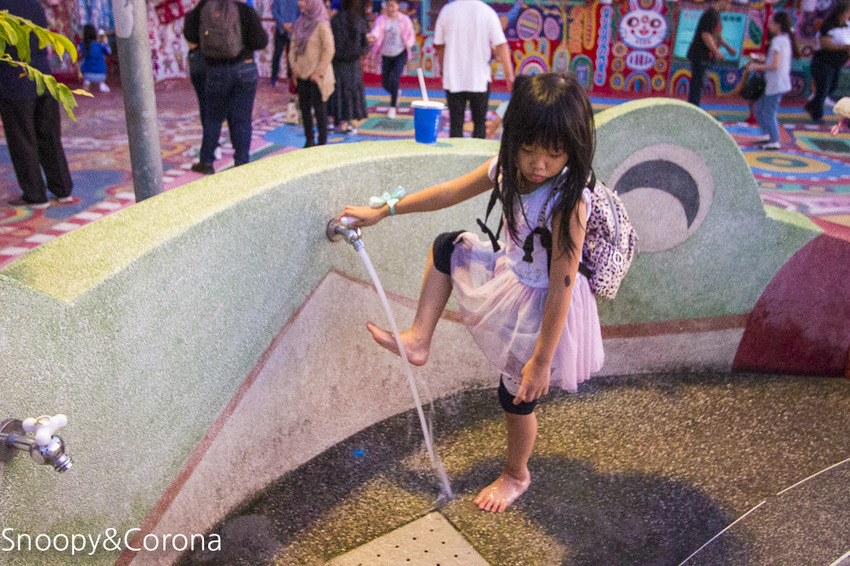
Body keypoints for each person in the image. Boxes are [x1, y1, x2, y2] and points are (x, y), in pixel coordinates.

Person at [336, 72, 603, 512]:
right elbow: (449, 192)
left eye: (553, 154)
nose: (538, 164)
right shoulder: (507, 169)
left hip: (547, 305)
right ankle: (418, 339)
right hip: (513, 275)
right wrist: (385, 210)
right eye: (528, 149)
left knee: (515, 398)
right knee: (447, 247)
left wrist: (541, 361)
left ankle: (516, 475)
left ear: (572, 149)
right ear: (513, 138)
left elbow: (563, 286)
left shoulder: (567, 201)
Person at [0, 0, 74, 209]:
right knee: (49, 137)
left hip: (15, 81)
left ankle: (35, 195)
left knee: (23, 140)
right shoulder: (33, 3)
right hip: (44, 78)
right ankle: (62, 190)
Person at [184, 0, 268, 175]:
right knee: (241, 120)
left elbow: (190, 34)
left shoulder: (204, 7)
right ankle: (241, 163)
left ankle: (206, 161)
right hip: (245, 68)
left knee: (213, 117)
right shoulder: (244, 10)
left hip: (215, 69)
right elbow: (260, 41)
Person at [434, 0, 515, 139]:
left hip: (453, 77)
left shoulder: (447, 11)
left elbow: (440, 45)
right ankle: (478, 152)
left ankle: (455, 152)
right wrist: (509, 74)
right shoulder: (487, 12)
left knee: (456, 124)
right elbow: (501, 45)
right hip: (479, 78)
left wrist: (442, 70)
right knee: (479, 123)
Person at [746, 11, 798, 150]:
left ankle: (774, 140)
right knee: (759, 109)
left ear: (778, 25)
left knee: (768, 112)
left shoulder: (777, 41)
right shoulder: (784, 39)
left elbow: (775, 65)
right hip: (773, 83)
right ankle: (767, 134)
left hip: (776, 83)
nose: (769, 25)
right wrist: (763, 60)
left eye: (772, 22)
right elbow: (776, 61)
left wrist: (756, 66)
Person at [289, 0, 336, 147]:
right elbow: (293, 47)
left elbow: (329, 50)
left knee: (320, 110)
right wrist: (294, 67)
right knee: (304, 109)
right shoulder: (299, 23)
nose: (300, 3)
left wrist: (318, 72)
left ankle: (321, 142)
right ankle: (309, 140)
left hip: (317, 77)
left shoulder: (321, 25)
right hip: (301, 74)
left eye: (305, 1)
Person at [367, 0, 416, 119]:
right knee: (385, 83)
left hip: (400, 53)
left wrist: (409, 43)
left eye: (392, 6)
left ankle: (392, 107)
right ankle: (396, 92)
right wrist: (373, 36)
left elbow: (411, 34)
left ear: (397, 7)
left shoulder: (404, 20)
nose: (390, 8)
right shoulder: (381, 19)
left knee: (394, 78)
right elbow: (377, 30)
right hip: (386, 54)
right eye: (388, 6)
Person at [804, 0, 850, 124]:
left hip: (837, 63)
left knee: (832, 86)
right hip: (824, 62)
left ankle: (812, 105)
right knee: (823, 88)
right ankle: (817, 115)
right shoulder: (829, 24)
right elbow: (825, 44)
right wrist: (844, 47)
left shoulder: (846, 26)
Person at [328, 0, 370, 134]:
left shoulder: (334, 20)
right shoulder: (359, 21)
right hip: (353, 65)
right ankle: (351, 123)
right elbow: (365, 47)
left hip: (336, 62)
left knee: (336, 91)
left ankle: (333, 121)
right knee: (352, 93)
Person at [686, 0, 737, 108]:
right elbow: (706, 35)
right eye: (728, 2)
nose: (729, 6)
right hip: (701, 56)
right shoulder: (711, 15)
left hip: (705, 58)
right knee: (697, 87)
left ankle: (694, 108)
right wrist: (716, 51)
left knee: (699, 86)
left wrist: (728, 48)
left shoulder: (715, 15)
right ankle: (693, 109)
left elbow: (717, 36)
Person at [271, 0, 300, 88]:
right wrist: (283, 23)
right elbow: (275, 11)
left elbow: (300, 13)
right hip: (281, 30)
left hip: (294, 30)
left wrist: (292, 24)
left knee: (293, 55)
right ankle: (274, 78)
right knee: (277, 54)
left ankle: (293, 79)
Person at [79, 24, 111, 93]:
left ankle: (87, 83)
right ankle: (102, 84)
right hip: (101, 75)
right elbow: (108, 52)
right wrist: (105, 43)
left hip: (87, 74)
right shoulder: (100, 45)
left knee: (85, 63)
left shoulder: (82, 45)